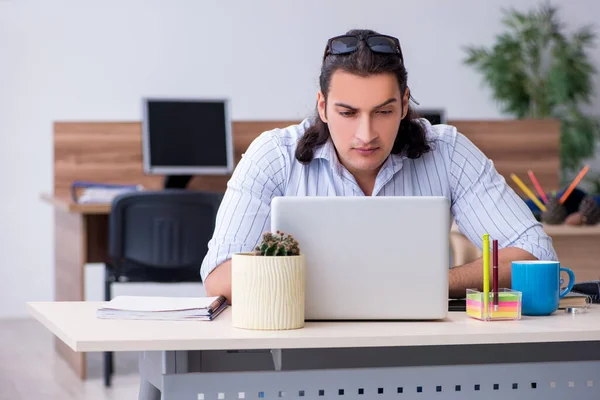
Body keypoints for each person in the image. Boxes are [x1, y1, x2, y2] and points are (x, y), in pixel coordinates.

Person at [200, 28, 557, 302]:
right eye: (347, 113)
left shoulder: (447, 152)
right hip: (301, 350)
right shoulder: (274, 156)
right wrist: (359, 284)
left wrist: (436, 283)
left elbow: (535, 254)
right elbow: (218, 276)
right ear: (322, 107)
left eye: (383, 112)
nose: (365, 134)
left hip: (422, 353)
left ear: (404, 105)